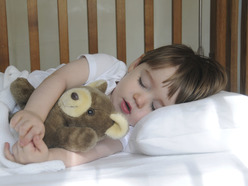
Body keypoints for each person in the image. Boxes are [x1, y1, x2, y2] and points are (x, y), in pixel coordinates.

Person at [4, 44, 227, 167]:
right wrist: (34, 113)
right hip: (20, 93)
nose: (141, 99)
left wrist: (46, 158)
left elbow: (85, 155)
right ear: (135, 65)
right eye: (143, 82)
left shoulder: (125, 134)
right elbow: (58, 79)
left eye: (155, 108)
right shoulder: (109, 67)